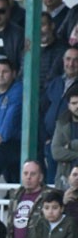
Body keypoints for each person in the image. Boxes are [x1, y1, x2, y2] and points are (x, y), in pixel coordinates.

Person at [42, 47, 78, 184]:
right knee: (54, 184)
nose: (71, 64)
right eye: (68, 59)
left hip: (70, 134)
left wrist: (70, 145)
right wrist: (44, 137)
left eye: (76, 60)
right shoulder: (54, 83)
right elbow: (41, 109)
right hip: (51, 140)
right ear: (63, 61)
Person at [51, 89, 78, 191]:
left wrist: (70, 145)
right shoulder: (62, 123)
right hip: (65, 178)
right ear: (68, 105)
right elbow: (56, 152)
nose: (77, 106)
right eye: (74, 103)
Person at [40, 13, 68, 95]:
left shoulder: (63, 50)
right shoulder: (27, 49)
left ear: (52, 26)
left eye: (42, 25)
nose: (39, 29)